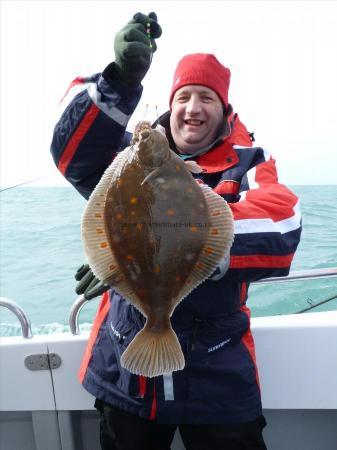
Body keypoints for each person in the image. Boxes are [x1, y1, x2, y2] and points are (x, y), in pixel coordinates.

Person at [50, 12, 302, 450]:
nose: (192, 108)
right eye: (183, 95)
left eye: (206, 96)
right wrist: (120, 82)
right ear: (171, 104)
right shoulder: (129, 157)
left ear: (225, 108)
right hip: (124, 373)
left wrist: (184, 237)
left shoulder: (250, 163)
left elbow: (283, 225)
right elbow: (71, 152)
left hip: (217, 377)